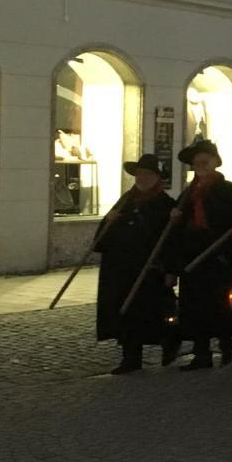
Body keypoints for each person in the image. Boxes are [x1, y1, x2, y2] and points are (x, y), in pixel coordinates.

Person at [166, 140, 232, 371]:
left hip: (219, 256)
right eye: (197, 162)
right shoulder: (187, 194)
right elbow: (177, 230)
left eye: (205, 160)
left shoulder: (229, 191)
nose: (201, 164)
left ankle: (226, 344)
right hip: (192, 257)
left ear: (215, 162)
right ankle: (201, 352)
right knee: (194, 306)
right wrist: (175, 217)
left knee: (221, 303)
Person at [94, 154, 180, 374]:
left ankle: (170, 341)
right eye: (139, 173)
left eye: (147, 174)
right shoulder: (126, 200)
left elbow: (173, 241)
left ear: (157, 178)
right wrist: (109, 221)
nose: (141, 178)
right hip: (122, 268)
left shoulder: (165, 204)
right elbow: (105, 235)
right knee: (125, 313)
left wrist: (171, 270)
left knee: (154, 312)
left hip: (150, 269)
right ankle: (131, 358)